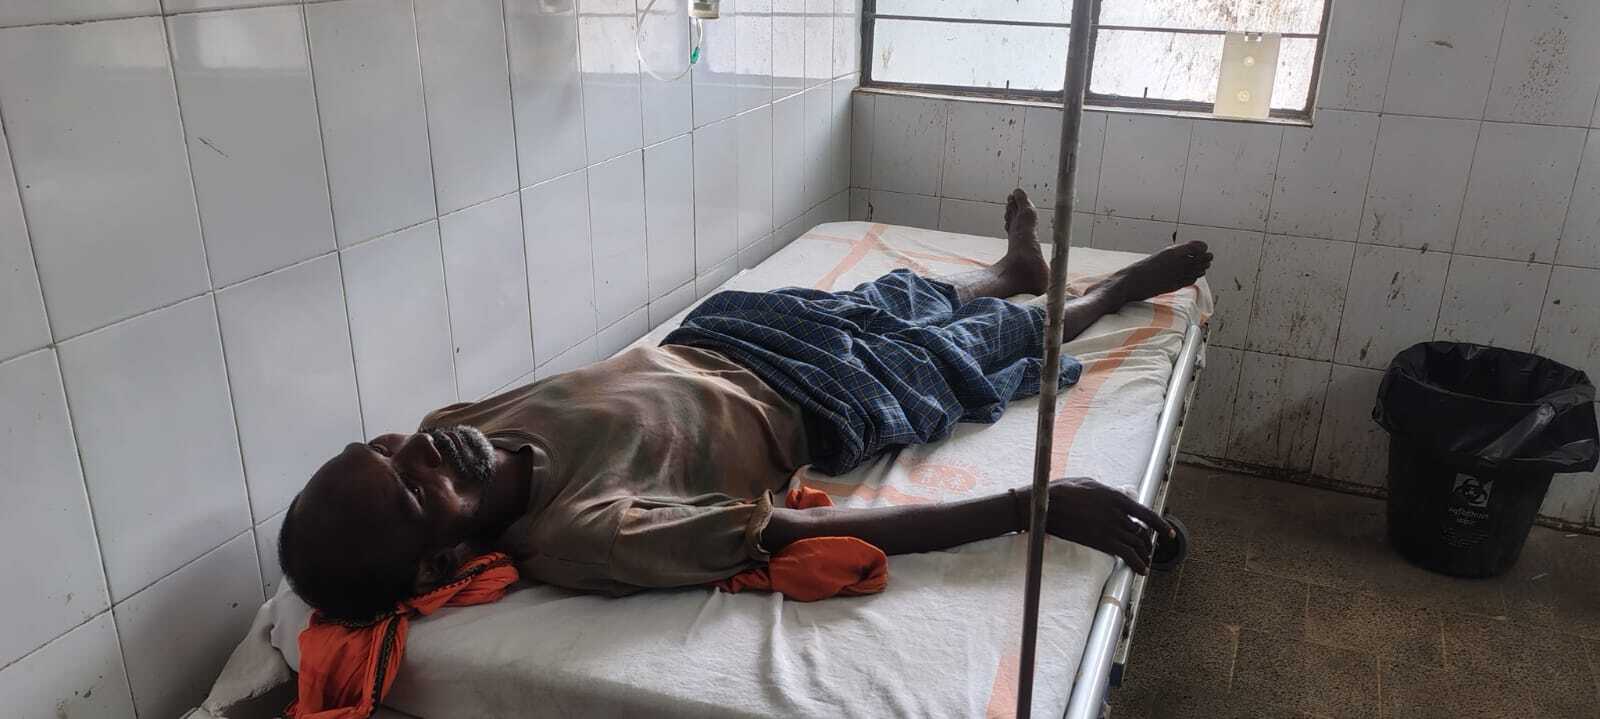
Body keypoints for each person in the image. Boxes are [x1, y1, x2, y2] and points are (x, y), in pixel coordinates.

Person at [278, 189, 1212, 620]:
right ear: (443, 560)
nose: (423, 450)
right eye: (414, 490)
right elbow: (790, 535)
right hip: (815, 401)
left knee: (890, 296)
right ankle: (1105, 292)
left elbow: (435, 450)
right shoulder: (586, 535)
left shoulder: (454, 432)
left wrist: (422, 465)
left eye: (385, 447)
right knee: (976, 347)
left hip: (723, 334)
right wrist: (1028, 505)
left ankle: (1010, 269)